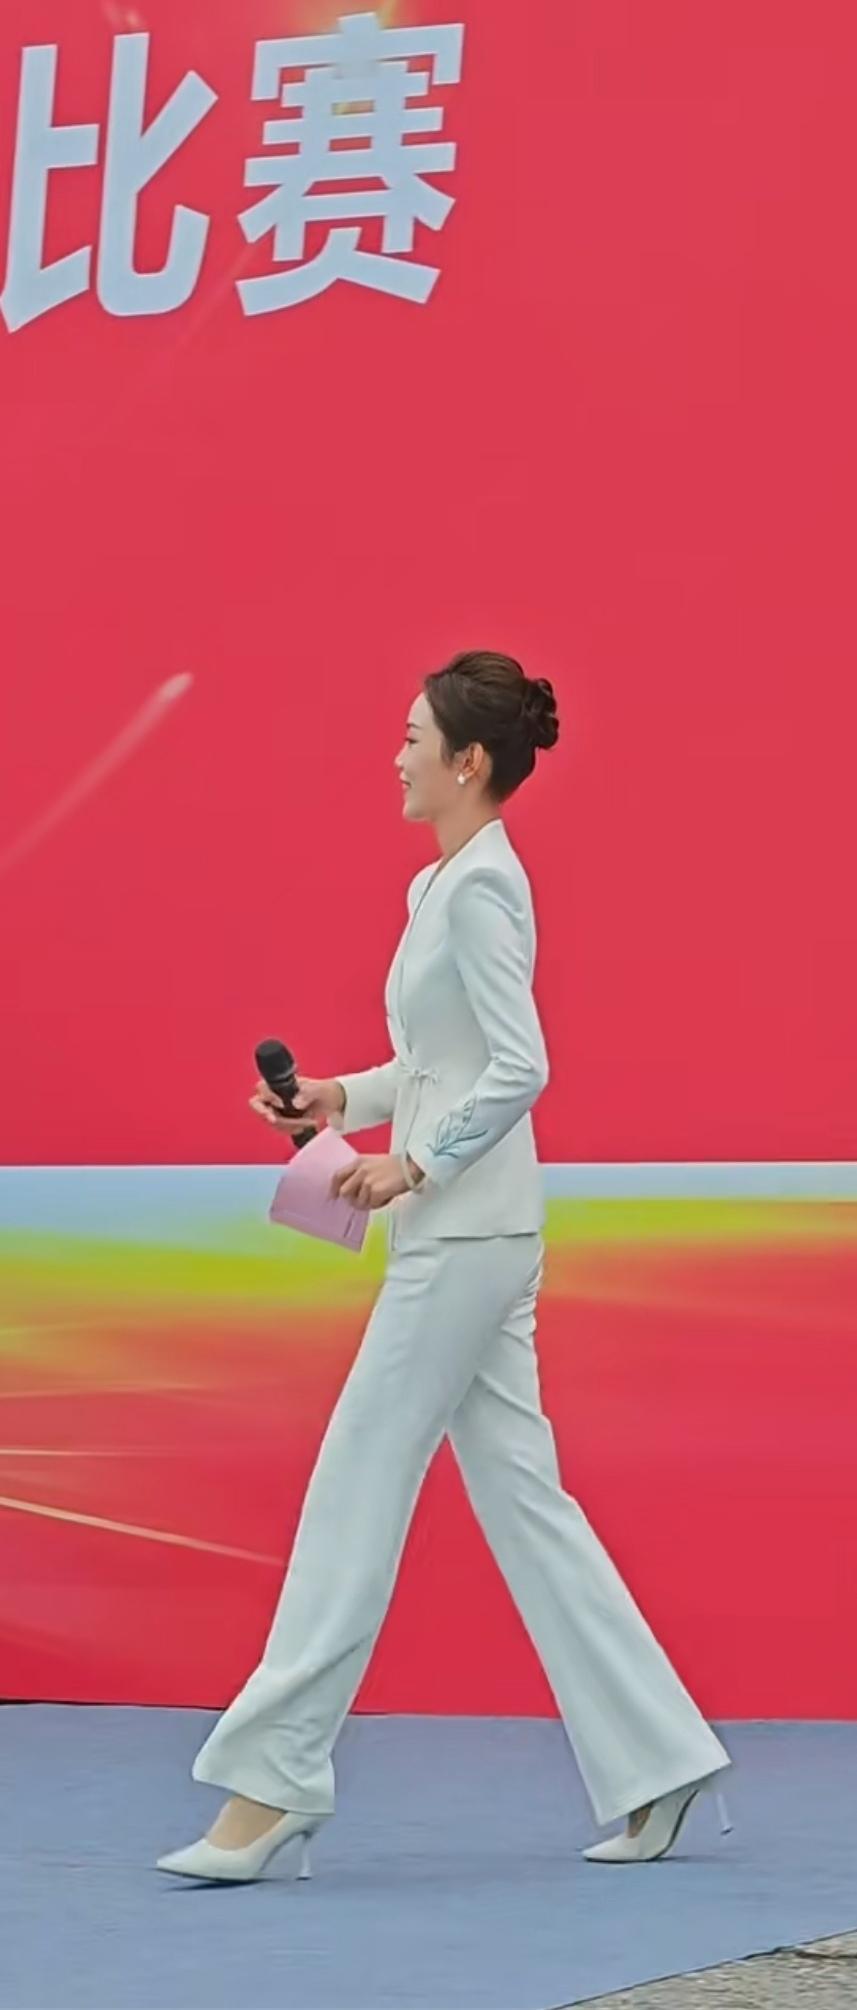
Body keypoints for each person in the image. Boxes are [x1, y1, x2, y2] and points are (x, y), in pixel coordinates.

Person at [157, 650, 731, 1884]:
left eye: (413, 737)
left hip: (464, 1237)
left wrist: (411, 1165)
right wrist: (336, 1098)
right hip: (471, 1230)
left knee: (354, 1485)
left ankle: (271, 1786)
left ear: (467, 761)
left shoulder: (480, 891)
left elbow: (521, 1066)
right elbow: (439, 1062)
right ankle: (660, 1757)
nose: (397, 755)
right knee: (524, 1500)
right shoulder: (443, 885)